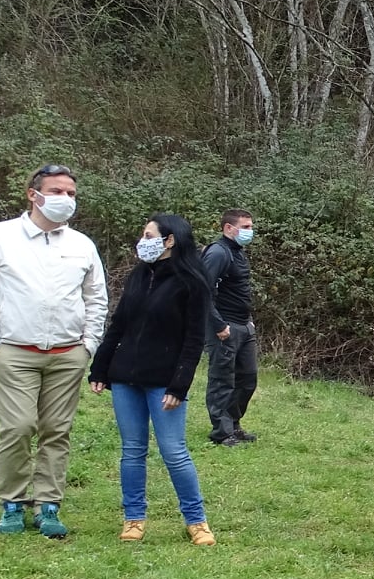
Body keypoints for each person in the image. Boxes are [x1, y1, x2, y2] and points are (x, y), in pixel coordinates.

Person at [0, 163, 109, 538]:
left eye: (71, 193)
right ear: (33, 194)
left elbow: (96, 298)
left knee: (57, 429)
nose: (65, 200)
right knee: (19, 427)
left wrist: (88, 345)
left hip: (67, 354)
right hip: (13, 351)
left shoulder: (81, 245)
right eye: (57, 192)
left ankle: (48, 505)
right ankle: (12, 502)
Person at [87, 214, 215, 546]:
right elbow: (119, 324)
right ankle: (134, 519)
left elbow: (193, 340)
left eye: (148, 235)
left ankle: (196, 521)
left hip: (164, 382)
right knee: (132, 451)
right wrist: (100, 367)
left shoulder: (192, 283)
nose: (142, 240)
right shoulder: (138, 276)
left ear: (169, 240)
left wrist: (179, 385)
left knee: (174, 452)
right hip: (126, 377)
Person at [202, 209, 260, 447]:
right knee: (222, 379)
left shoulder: (238, 252)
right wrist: (218, 324)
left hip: (244, 325)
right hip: (224, 326)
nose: (250, 232)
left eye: (250, 227)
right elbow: (202, 291)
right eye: (245, 227)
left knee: (248, 379)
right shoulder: (218, 253)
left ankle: (234, 425)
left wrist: (248, 321)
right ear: (228, 228)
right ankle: (221, 432)